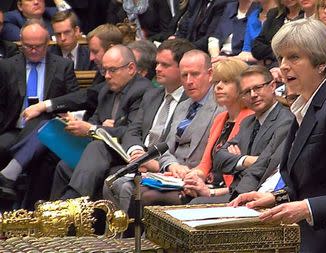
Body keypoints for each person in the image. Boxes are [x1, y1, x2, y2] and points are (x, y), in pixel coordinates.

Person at [230, 19, 326, 252]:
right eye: (281, 58)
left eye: (294, 57)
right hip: (315, 238)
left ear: (321, 62)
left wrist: (307, 209)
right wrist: (277, 198)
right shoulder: (305, 104)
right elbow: (317, 183)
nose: (283, 66)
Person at [141, 59, 253, 205]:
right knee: (143, 191)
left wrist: (208, 191)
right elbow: (204, 165)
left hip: (228, 191)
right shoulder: (221, 119)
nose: (218, 87)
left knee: (154, 197)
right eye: (217, 82)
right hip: (207, 185)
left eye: (226, 81)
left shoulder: (250, 119)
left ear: (242, 86)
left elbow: (244, 179)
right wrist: (191, 177)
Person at [50, 45, 153, 200]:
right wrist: (88, 126)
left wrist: (94, 129)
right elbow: (95, 120)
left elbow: (131, 131)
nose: (106, 76)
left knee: (97, 146)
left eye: (112, 70)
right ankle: (54, 215)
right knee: (64, 166)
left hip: (127, 152)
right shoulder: (106, 91)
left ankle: (72, 202)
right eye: (104, 70)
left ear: (131, 68)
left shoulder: (143, 90)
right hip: (101, 153)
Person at [101, 38, 195, 210]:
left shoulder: (191, 101)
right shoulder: (151, 95)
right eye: (157, 63)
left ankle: (126, 237)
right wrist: (136, 151)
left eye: (165, 65)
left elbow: (174, 144)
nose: (157, 69)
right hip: (139, 162)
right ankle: (115, 234)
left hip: (164, 164)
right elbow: (133, 131)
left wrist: (153, 163)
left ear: (182, 69)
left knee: (125, 186)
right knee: (110, 181)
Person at [184, 65, 293, 203]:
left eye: (258, 88)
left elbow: (266, 164)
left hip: (257, 196)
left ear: (272, 86)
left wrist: (238, 160)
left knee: (193, 205)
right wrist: (246, 160)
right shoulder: (248, 122)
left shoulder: (286, 120)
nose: (253, 95)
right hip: (235, 192)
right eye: (247, 91)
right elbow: (218, 158)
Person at [0, 19, 78, 199]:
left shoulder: (62, 66)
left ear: (48, 43)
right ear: (20, 42)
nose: (33, 50)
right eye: (28, 46)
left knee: (44, 120)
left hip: (50, 130)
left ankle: (30, 208)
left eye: (38, 46)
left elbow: (74, 99)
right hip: (14, 128)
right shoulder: (7, 66)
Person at [137, 50, 223, 206]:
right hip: (173, 176)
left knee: (146, 195)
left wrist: (191, 173)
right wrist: (172, 165)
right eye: (184, 75)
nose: (189, 81)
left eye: (195, 74)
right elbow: (165, 148)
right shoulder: (182, 106)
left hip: (199, 178)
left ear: (210, 74)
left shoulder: (221, 107)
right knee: (131, 187)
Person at [22, 23, 123, 122]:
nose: (91, 58)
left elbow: (89, 96)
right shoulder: (102, 71)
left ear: (111, 49)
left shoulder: (121, 76)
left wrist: (44, 105)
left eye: (95, 52)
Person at [251, 0, 303, 71]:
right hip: (270, 68)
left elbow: (299, 50)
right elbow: (256, 48)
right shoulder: (274, 14)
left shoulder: (307, 16)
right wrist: (280, 51)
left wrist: (270, 52)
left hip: (296, 67)